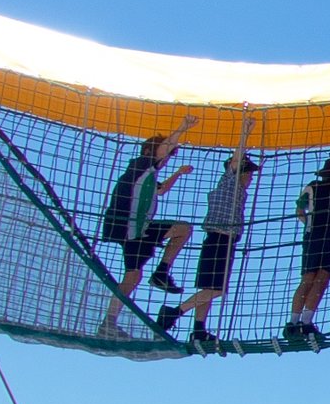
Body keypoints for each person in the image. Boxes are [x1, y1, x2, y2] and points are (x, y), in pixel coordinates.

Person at [99, 116, 201, 332]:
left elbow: (162, 190)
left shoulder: (147, 176)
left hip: (138, 230)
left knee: (134, 275)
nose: (164, 162)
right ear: (150, 153)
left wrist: (178, 173)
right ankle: (160, 273)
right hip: (129, 228)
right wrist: (182, 128)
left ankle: (109, 321)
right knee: (182, 230)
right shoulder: (141, 164)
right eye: (164, 158)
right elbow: (161, 151)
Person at [157, 150, 257, 345]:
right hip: (220, 240)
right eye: (248, 174)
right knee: (217, 289)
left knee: (208, 289)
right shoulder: (229, 183)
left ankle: (199, 329)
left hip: (219, 240)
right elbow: (234, 163)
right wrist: (245, 132)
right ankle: (174, 313)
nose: (251, 178)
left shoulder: (237, 190)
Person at [287, 157, 330, 347]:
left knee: (307, 278)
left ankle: (293, 323)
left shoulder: (312, 187)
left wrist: (309, 226)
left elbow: (299, 211)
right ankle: (306, 322)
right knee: (321, 279)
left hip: (313, 236)